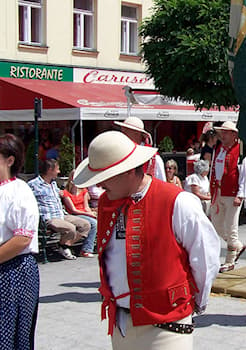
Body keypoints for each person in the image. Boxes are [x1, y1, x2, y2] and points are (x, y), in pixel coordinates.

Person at [72, 131, 220, 349]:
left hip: (168, 325)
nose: (100, 185)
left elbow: (205, 257)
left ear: (129, 171)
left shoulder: (178, 202)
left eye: (105, 177)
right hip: (121, 321)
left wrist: (192, 304)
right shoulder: (106, 202)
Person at [0, 134, 40, 350]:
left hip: (13, 272)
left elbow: (22, 238)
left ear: (10, 160)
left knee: (9, 335)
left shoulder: (19, 191)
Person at [28, 159, 90, 260]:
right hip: (49, 218)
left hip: (61, 214)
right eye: (57, 169)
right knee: (71, 228)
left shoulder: (53, 184)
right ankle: (64, 246)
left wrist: (60, 193)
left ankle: (64, 245)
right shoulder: (33, 185)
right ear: (50, 170)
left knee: (85, 225)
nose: (59, 171)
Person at [209, 121, 246, 273]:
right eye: (222, 132)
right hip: (217, 191)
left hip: (232, 193)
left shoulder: (240, 151)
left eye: (226, 132)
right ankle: (237, 245)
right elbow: (213, 168)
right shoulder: (218, 149)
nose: (222, 135)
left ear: (234, 134)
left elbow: (244, 173)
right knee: (217, 225)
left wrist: (241, 194)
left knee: (231, 226)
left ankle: (230, 260)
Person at [115, 116, 166, 181]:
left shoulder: (153, 158)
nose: (122, 135)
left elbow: (161, 185)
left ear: (136, 134)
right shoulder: (118, 154)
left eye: (125, 132)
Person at [61, 170, 98, 258]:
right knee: (93, 223)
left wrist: (91, 213)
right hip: (74, 215)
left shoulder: (84, 191)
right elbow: (73, 210)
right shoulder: (66, 193)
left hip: (83, 213)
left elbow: (86, 207)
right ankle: (86, 249)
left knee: (99, 218)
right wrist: (89, 214)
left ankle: (99, 245)